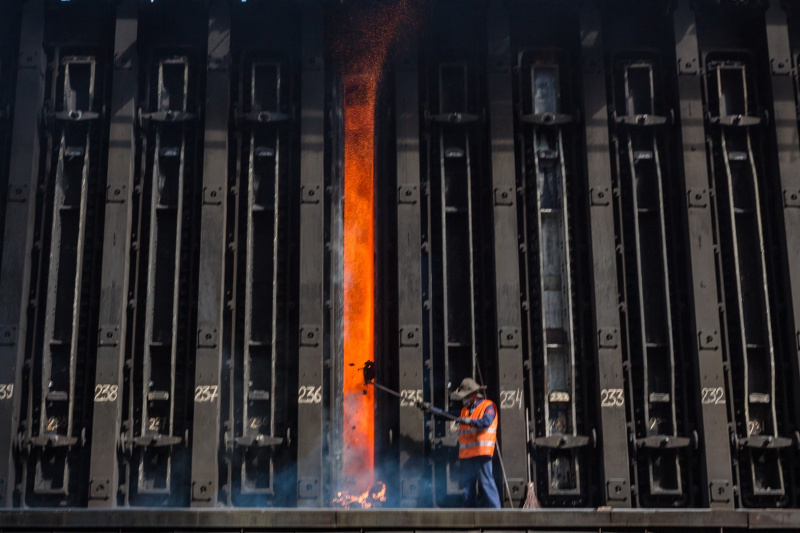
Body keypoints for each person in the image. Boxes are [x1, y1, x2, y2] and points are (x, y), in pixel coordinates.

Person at [416, 377, 501, 508]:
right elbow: (446, 415)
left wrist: (469, 421)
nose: (463, 400)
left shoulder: (488, 406)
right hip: (468, 455)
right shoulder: (464, 411)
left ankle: (497, 514)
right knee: (468, 486)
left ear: (472, 395)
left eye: (464, 397)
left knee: (487, 483)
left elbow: (486, 422)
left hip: (482, 453)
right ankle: (469, 515)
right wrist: (429, 409)